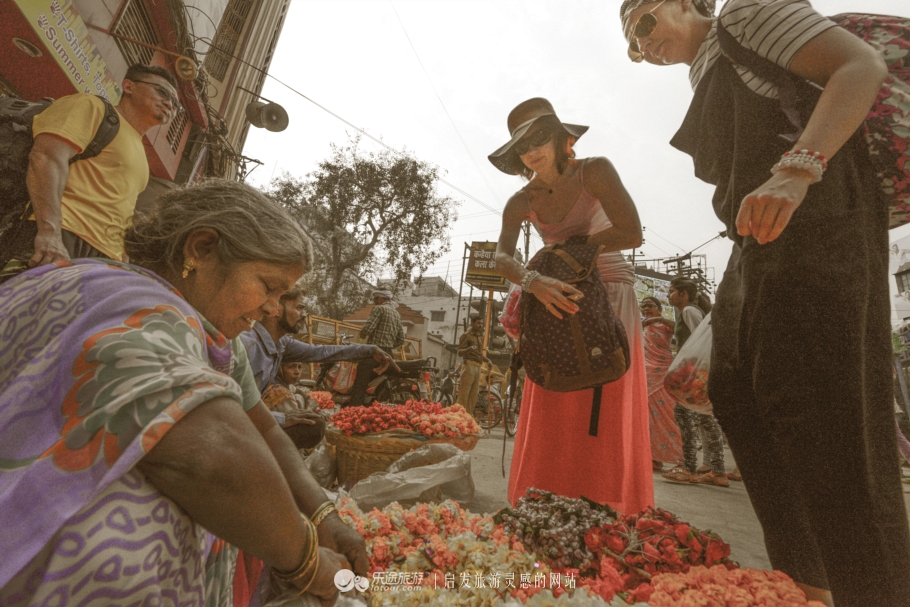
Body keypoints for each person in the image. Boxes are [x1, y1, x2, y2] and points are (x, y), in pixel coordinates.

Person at [619, 1, 910, 604]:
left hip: (821, 216)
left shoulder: (745, 16)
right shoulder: (703, 72)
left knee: (827, 412)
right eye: (631, 44)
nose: (642, 45)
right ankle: (808, 583)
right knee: (739, 388)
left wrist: (798, 170)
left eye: (645, 22)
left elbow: (860, 66)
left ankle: (876, 591)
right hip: (761, 240)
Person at [0, 179, 367, 606]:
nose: (272, 307)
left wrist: (325, 517)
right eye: (268, 286)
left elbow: (263, 430)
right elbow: (208, 453)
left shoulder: (207, 336)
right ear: (202, 248)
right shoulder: (141, 307)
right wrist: (307, 563)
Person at [491, 97, 653, 514]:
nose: (531, 149)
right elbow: (502, 258)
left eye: (540, 136)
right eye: (521, 146)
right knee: (554, 390)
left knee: (607, 393)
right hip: (553, 293)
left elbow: (631, 231)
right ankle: (547, 499)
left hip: (609, 289)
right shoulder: (520, 200)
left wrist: (568, 251)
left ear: (564, 138)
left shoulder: (594, 170)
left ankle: (608, 505)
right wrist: (534, 280)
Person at [0, 64, 178, 282]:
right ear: (129, 86)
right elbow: (45, 158)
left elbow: (123, 212)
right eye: (162, 92)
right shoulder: (92, 107)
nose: (169, 103)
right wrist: (50, 232)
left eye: (175, 103)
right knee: (15, 311)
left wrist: (120, 266)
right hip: (62, 234)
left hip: (102, 262)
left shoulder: (142, 154)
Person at [239, 288, 396, 413]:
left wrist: (371, 349)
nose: (304, 315)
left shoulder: (282, 343)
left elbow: (323, 352)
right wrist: (282, 420)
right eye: (299, 307)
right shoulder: (248, 347)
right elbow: (235, 408)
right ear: (275, 308)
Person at [661, 278, 728, 487]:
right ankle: (716, 470)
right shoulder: (689, 310)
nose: (669, 296)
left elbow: (702, 339)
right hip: (698, 370)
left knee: (685, 413)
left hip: (694, 371)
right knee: (706, 419)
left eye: (672, 292)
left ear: (683, 294)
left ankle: (689, 468)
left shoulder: (689, 311)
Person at [639, 296, 684, 470]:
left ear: (659, 309)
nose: (646, 309)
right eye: (643, 307)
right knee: (648, 417)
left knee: (668, 415)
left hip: (662, 372)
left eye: (650, 306)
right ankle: (654, 457)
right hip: (646, 374)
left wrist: (659, 319)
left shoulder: (665, 325)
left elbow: (678, 328)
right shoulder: (641, 327)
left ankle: (682, 458)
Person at [347, 289, 406, 406]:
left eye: (374, 300)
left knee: (360, 385)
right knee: (376, 386)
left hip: (373, 354)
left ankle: (354, 411)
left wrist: (362, 334)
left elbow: (368, 329)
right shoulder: (397, 314)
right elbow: (401, 340)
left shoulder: (379, 309)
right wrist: (388, 345)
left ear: (379, 298)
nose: (374, 302)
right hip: (388, 354)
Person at [261, 362, 326, 451]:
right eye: (291, 367)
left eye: (300, 367)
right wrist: (309, 409)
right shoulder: (281, 392)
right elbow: (296, 420)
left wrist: (308, 399)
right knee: (317, 424)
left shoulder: (279, 382)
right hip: (271, 436)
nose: (297, 372)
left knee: (299, 397)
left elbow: (297, 390)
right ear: (280, 369)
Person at [456, 316, 490, 416]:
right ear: (472, 323)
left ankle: (468, 417)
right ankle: (458, 417)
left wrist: (488, 361)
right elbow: (460, 352)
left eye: (481, 323)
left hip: (478, 366)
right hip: (469, 366)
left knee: (473, 396)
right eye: (478, 323)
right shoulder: (466, 335)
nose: (480, 325)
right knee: (464, 394)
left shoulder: (479, 336)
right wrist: (468, 349)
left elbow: (479, 354)